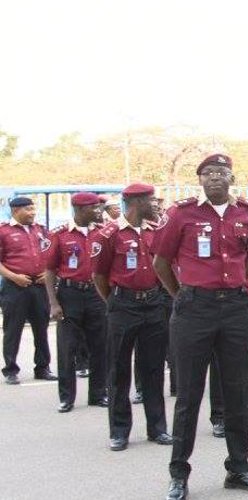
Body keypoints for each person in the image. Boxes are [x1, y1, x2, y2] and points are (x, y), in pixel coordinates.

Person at [154, 154, 248, 499]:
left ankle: (239, 468)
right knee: (189, 395)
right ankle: (179, 474)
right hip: (195, 308)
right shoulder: (182, 213)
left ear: (232, 178)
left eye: (222, 172)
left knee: (236, 391)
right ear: (201, 179)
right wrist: (181, 296)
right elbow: (161, 262)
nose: (216, 177)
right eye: (209, 173)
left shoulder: (246, 213)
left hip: (235, 306)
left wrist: (238, 281)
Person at [93, 183, 174, 451]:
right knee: (118, 369)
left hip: (153, 303)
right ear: (137, 202)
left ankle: (157, 428)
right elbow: (99, 276)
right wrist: (116, 301)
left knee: (153, 368)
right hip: (123, 304)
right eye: (151, 201)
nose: (156, 205)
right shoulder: (110, 233)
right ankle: (119, 431)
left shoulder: (156, 231)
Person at [45, 192, 107, 412]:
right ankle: (66, 397)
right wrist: (53, 302)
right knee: (67, 347)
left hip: (96, 294)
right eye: (94, 208)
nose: (98, 211)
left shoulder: (101, 233)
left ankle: (98, 393)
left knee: (100, 345)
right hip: (69, 294)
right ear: (80, 209)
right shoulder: (60, 235)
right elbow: (50, 270)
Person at [0, 196, 55, 385]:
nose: (32, 213)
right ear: (16, 211)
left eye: (33, 209)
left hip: (39, 285)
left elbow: (50, 254)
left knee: (41, 328)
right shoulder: (4, 231)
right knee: (12, 329)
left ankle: (42, 367)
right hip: (15, 286)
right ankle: (11, 369)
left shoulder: (40, 230)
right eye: (28, 209)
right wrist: (14, 276)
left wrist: (47, 274)